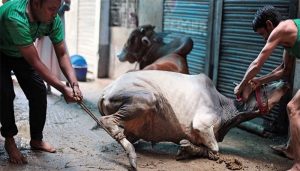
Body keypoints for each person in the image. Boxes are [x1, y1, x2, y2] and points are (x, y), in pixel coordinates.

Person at [0, 0, 82, 164]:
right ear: (36, 4)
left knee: (38, 90)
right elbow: (36, 62)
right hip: (1, 50)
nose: (55, 13)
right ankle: (9, 139)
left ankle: (36, 139)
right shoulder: (15, 17)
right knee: (4, 92)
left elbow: (62, 54)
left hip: (20, 52)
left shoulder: (52, 18)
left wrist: (74, 83)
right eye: (51, 9)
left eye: (57, 9)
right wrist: (61, 88)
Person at [234, 5, 300, 171]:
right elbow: (285, 70)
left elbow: (257, 63)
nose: (264, 39)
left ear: (270, 25)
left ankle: (298, 165)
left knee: (293, 108)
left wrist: (241, 85)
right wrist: (259, 81)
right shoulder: (288, 38)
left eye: (262, 33)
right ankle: (291, 149)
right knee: (294, 108)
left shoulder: (282, 29)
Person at [35, 0, 71, 93]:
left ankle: (68, 83)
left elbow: (67, 4)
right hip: (43, 22)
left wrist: (62, 8)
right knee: (44, 51)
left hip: (57, 21)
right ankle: (47, 84)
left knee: (60, 51)